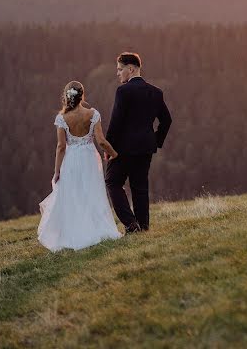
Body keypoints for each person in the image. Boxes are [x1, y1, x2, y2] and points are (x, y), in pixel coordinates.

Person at [37, 81, 122, 251]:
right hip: (90, 159)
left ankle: (75, 232)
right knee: (92, 193)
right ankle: (96, 229)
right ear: (82, 95)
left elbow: (61, 147)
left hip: (71, 160)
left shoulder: (62, 118)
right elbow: (101, 141)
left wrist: (57, 171)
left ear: (67, 97)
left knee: (74, 196)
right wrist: (114, 154)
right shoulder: (93, 114)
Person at [105, 52, 172, 232]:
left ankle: (130, 223)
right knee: (140, 187)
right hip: (146, 148)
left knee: (112, 182)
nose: (118, 73)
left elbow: (116, 121)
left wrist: (108, 146)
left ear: (131, 68)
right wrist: (155, 140)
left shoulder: (123, 91)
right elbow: (167, 120)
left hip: (123, 149)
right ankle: (143, 226)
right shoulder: (156, 92)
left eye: (120, 69)